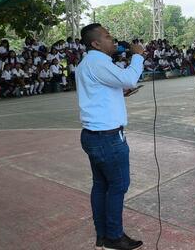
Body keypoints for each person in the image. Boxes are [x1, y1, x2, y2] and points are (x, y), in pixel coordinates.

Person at [76, 23, 144, 250]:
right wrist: (137, 56)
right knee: (118, 185)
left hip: (94, 135)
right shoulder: (98, 61)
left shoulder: (89, 63)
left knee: (101, 186)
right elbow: (129, 78)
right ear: (95, 43)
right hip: (108, 137)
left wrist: (120, 92)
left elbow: (103, 91)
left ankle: (102, 236)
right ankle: (114, 238)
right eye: (107, 36)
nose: (112, 39)